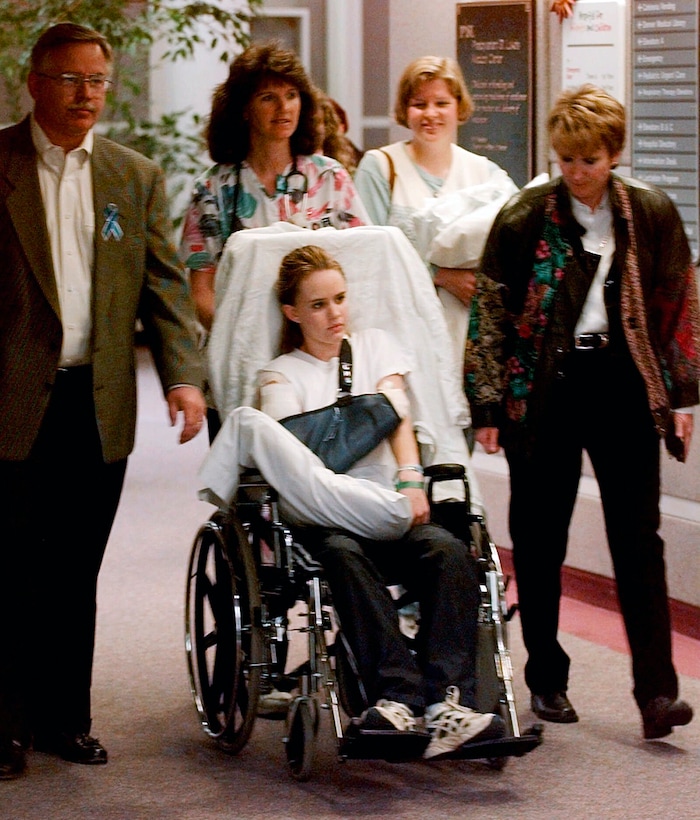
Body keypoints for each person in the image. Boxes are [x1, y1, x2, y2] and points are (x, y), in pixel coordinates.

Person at [0, 23, 206, 780]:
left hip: (98, 401)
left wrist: (183, 375)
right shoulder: (2, 163)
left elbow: (164, 285)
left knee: (75, 566)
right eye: (69, 79)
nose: (86, 95)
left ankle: (65, 719)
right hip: (12, 400)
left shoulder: (133, 176)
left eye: (97, 81)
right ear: (35, 83)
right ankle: (6, 725)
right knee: (11, 565)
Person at [210, 243, 505, 760]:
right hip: (328, 519)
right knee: (344, 556)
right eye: (318, 304)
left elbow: (397, 418)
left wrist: (411, 478)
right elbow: (289, 453)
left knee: (448, 550)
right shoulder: (280, 374)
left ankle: (449, 703)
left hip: (392, 505)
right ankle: (397, 697)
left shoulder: (376, 347)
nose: (335, 313)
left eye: (340, 299)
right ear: (292, 313)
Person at [468, 84, 699, 740]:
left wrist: (681, 396)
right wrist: (487, 404)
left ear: (614, 154)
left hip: (624, 382)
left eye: (589, 160)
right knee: (541, 536)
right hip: (546, 385)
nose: (576, 172)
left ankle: (657, 693)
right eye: (566, 158)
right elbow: (490, 311)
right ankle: (547, 677)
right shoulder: (524, 216)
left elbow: (678, 303)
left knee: (639, 539)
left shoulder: (650, 212)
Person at [179, 42, 369, 438]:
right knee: (243, 470)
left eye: (291, 95)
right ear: (244, 109)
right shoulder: (213, 188)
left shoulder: (330, 178)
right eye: (268, 97)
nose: (284, 108)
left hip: (319, 363)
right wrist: (247, 338)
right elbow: (201, 292)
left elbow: (362, 269)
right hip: (238, 363)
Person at [354, 55, 517, 386]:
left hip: (470, 339)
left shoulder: (485, 173)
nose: (430, 114)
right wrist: (440, 275)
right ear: (405, 110)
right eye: (419, 104)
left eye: (441, 103)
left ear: (459, 107)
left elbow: (513, 248)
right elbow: (365, 256)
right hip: (401, 334)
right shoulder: (380, 167)